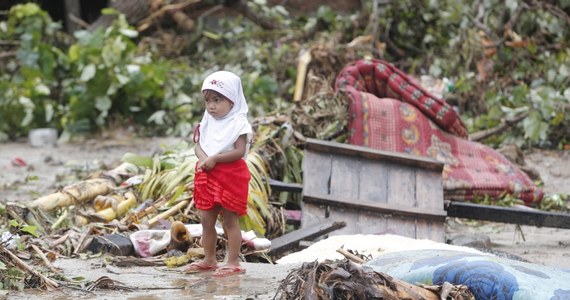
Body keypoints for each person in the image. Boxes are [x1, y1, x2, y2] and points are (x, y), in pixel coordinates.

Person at [184, 71, 252, 277]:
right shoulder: (207, 121)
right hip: (208, 173)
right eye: (207, 101)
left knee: (230, 220)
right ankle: (209, 259)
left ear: (232, 101)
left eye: (217, 100)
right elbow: (198, 145)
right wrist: (204, 158)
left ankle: (232, 261)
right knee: (206, 220)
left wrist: (215, 159)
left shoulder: (238, 123)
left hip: (230, 175)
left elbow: (239, 152)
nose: (211, 105)